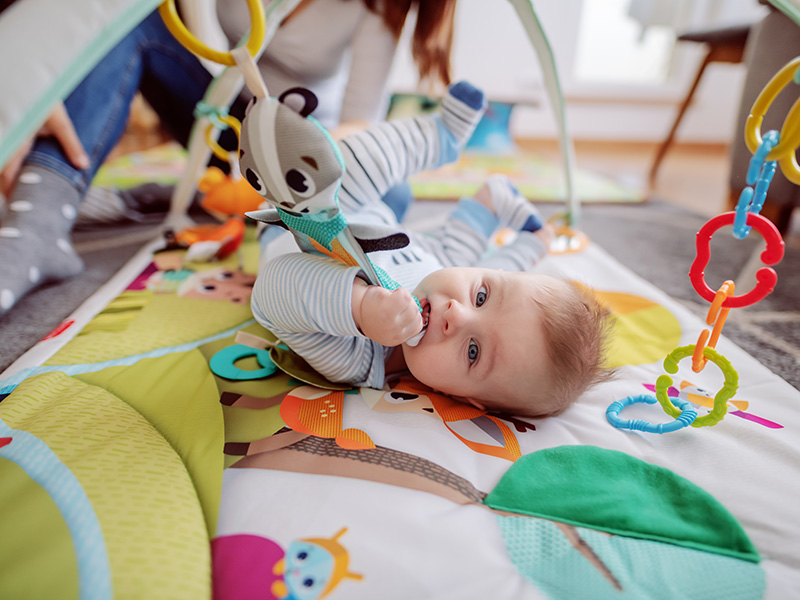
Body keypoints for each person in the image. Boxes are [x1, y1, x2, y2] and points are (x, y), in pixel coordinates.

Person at [0, 0, 456, 317]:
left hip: (308, 145)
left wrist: (291, 164)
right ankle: (36, 223)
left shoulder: (374, 9)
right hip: (231, 120)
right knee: (129, 23)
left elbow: (361, 121)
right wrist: (41, 90)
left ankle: (188, 197)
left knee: (392, 190)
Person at [251, 172, 614, 418]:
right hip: (371, 206)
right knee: (398, 189)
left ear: (462, 398)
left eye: (473, 352)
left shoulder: (355, 356)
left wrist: (360, 308)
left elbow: (271, 288)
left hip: (289, 217)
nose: (457, 315)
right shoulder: (445, 269)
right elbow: (490, 222)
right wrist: (535, 238)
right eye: (483, 296)